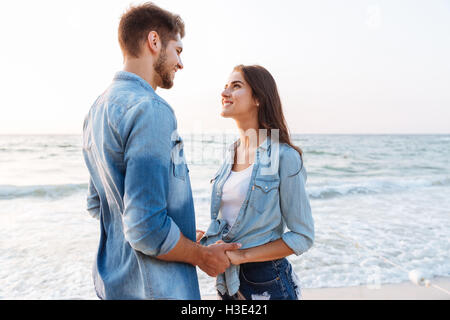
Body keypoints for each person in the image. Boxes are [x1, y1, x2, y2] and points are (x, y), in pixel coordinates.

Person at [82, 2, 240, 300]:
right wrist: (200, 256)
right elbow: (144, 227)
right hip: (157, 290)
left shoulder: (95, 112)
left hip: (112, 288)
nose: (180, 63)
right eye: (178, 50)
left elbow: (99, 205)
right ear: (154, 41)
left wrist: (177, 236)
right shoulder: (151, 110)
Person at [199, 65, 315, 300]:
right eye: (225, 86)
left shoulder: (284, 157)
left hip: (266, 281)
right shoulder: (230, 152)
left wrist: (242, 256)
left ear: (259, 98)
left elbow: (303, 235)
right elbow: (237, 220)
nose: (225, 92)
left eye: (236, 86)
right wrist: (206, 239)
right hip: (228, 281)